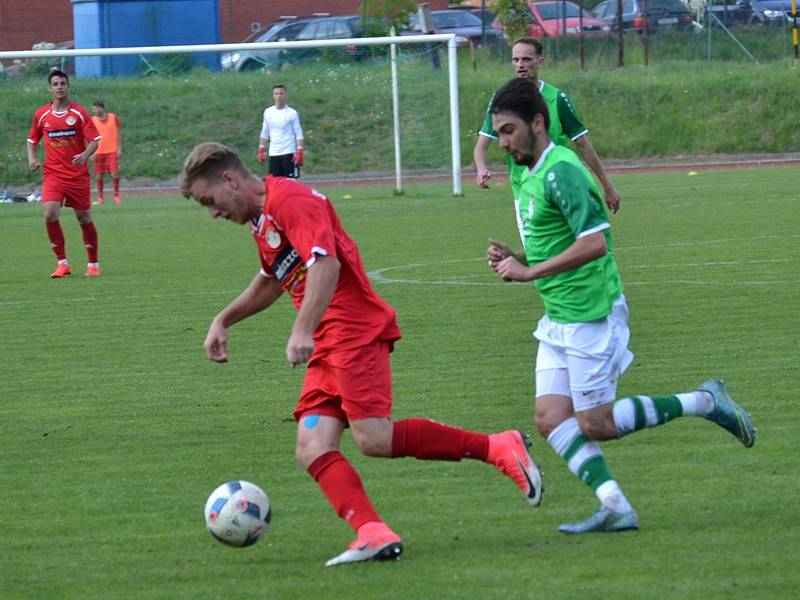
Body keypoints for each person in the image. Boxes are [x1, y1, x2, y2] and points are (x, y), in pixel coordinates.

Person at [179, 142, 543, 566]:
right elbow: (273, 279)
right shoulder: (263, 218)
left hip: (352, 330)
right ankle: (373, 532)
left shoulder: (290, 200)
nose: (213, 213)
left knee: (374, 438)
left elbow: (325, 265)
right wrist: (223, 319)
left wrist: (302, 329)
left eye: (210, 201)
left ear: (229, 179)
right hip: (329, 339)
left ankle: (498, 447)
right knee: (312, 446)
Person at [485, 78, 756, 534]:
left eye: (509, 130)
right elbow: (558, 239)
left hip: (591, 314)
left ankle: (706, 402)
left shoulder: (562, 170)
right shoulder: (531, 174)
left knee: (598, 424)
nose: (503, 143)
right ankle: (615, 507)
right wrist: (518, 255)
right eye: (499, 134)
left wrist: (529, 272)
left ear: (537, 122)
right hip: (558, 315)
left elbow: (595, 243)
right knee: (550, 418)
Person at [473, 37, 621, 214]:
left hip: (561, 186)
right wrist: (481, 169)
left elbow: (582, 143)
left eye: (526, 59)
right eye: (516, 59)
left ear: (540, 61)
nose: (520, 64)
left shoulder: (557, 98)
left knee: (578, 239)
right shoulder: (503, 100)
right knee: (540, 242)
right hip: (525, 192)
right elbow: (481, 145)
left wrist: (607, 186)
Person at [27, 69, 102, 278]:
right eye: (56, 84)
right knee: (50, 212)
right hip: (53, 174)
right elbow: (32, 140)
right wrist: (32, 158)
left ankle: (93, 264)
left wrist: (85, 154)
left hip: (77, 175)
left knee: (83, 217)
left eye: (63, 83)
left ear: (68, 87)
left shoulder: (78, 113)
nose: (59, 87)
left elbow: (96, 140)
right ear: (50, 88)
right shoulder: (42, 114)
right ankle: (62, 263)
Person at [257, 84, 304, 178]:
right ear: (273, 95)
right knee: (275, 183)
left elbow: (299, 133)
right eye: (276, 94)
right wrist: (261, 149)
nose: (279, 96)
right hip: (274, 152)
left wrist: (300, 151)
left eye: (281, 93)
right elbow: (265, 132)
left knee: (290, 183)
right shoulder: (268, 112)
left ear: (285, 95)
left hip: (288, 152)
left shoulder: (292, 113)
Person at [90, 100, 122, 205]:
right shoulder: (93, 120)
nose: (93, 110)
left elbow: (117, 133)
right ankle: (100, 197)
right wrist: (91, 152)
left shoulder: (113, 117)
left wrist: (119, 148)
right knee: (99, 176)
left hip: (112, 150)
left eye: (95, 108)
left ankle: (116, 195)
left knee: (114, 174)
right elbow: (90, 137)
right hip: (99, 152)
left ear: (101, 108)